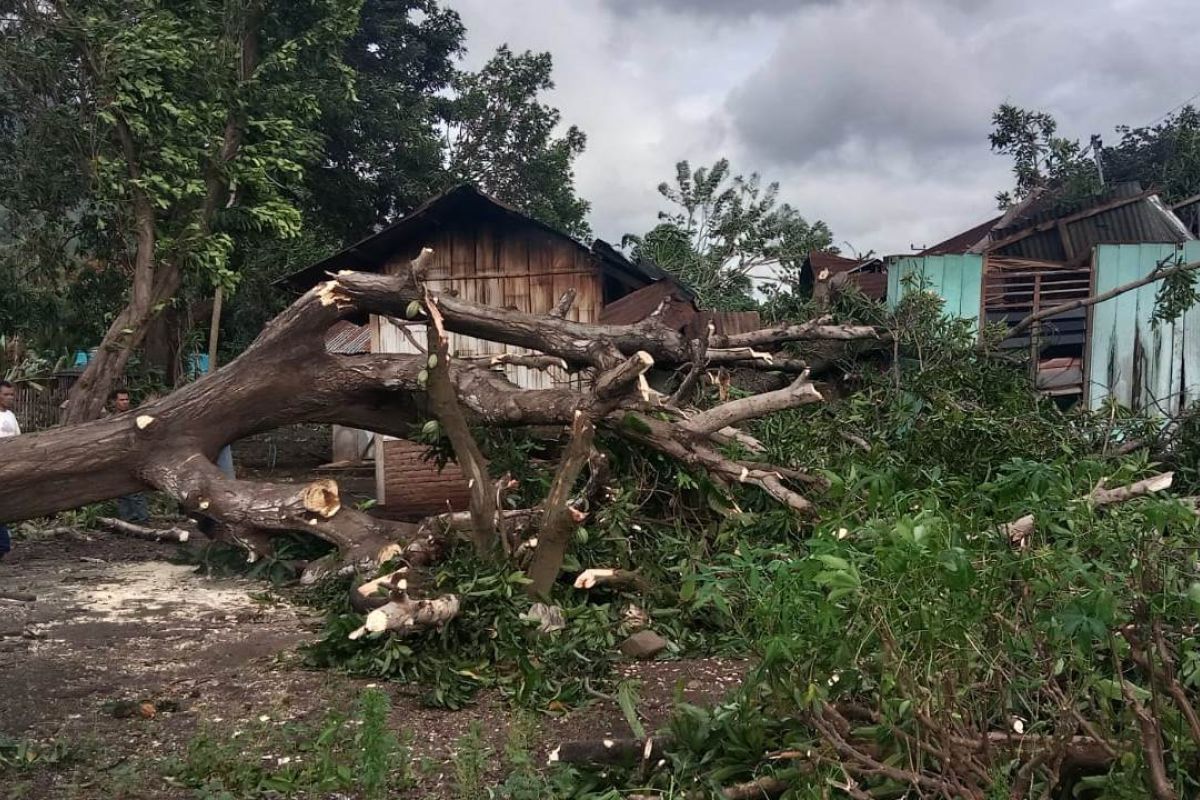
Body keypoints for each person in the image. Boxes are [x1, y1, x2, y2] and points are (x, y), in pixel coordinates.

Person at [109, 390, 150, 524]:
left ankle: (143, 520)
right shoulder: (110, 420)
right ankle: (127, 521)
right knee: (121, 492)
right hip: (117, 459)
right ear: (114, 402)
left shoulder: (134, 417)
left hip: (133, 458)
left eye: (126, 399)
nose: (125, 402)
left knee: (136, 491)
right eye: (122, 400)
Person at [0, 380, 20, 560]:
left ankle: (3, 545)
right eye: (6, 394)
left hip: (9, 470)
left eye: (11, 394)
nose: (10, 398)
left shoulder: (11, 416)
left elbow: (19, 441)